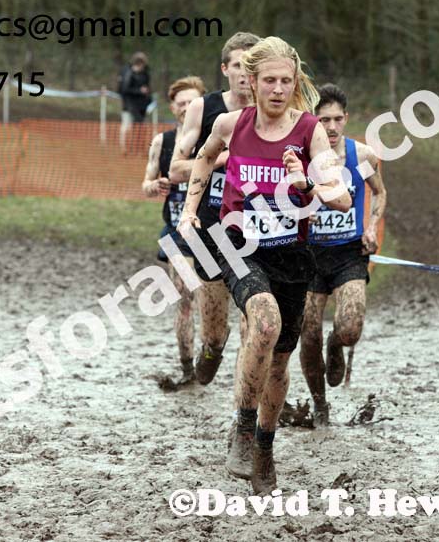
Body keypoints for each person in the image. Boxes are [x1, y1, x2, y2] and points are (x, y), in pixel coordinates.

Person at [178, 37, 352, 495]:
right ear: (250, 81)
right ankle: (240, 426)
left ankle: (264, 443)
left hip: (293, 255)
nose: (277, 89)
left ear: (295, 84)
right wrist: (190, 208)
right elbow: (204, 156)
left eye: (286, 81)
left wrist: (308, 182)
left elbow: (343, 196)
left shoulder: (311, 130)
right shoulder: (232, 123)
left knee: (278, 363)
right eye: (269, 80)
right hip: (239, 245)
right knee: (265, 321)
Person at [168, 31, 261, 387]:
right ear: (225, 68)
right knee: (216, 335)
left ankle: (245, 404)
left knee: (254, 323)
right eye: (238, 65)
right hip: (211, 230)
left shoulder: (273, 111)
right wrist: (219, 161)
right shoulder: (203, 109)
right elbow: (176, 169)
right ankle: (210, 352)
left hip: (256, 229)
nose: (244, 73)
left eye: (251, 66)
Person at [300, 84, 387, 424]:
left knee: (351, 327)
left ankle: (336, 344)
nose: (332, 128)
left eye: (337, 119)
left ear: (346, 119)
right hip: (308, 256)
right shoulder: (300, 159)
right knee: (307, 333)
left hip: (348, 253)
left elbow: (379, 194)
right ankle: (320, 406)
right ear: (313, 121)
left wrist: (371, 228)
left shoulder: (362, 156)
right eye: (324, 121)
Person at [141, 76, 206, 385]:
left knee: (208, 300)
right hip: (177, 234)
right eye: (181, 104)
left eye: (192, 102)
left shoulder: (216, 139)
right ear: (172, 108)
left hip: (213, 233)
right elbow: (146, 184)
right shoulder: (162, 142)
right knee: (185, 296)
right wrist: (155, 185)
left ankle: (210, 354)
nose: (186, 108)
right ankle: (187, 367)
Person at [117, 52, 152, 153]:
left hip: (141, 105)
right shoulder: (127, 73)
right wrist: (139, 90)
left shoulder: (145, 74)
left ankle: (138, 148)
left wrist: (147, 97)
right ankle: (124, 148)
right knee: (126, 126)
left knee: (140, 127)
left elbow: (148, 88)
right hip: (128, 105)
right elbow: (123, 89)